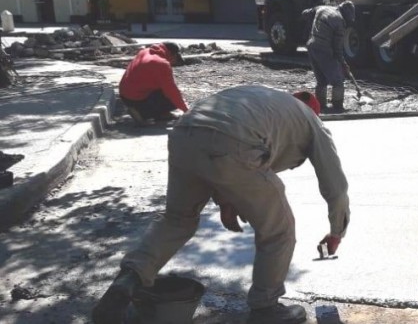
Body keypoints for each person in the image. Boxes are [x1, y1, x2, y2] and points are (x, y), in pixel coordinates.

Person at [92, 86, 349, 324]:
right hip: (233, 144)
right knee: (278, 230)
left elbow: (217, 146)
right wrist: (337, 230)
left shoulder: (266, 98)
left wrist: (226, 199)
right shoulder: (312, 122)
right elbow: (335, 184)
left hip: (184, 133)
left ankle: (127, 280)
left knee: (177, 220)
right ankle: (265, 308)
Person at [118, 41, 188, 124]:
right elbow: (172, 91)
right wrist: (187, 111)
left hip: (124, 94)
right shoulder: (161, 64)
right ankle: (141, 113)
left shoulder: (145, 51)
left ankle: (161, 114)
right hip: (136, 98)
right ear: (173, 54)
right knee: (172, 101)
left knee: (163, 91)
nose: (173, 63)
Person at [307, 1, 355, 112]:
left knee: (321, 80)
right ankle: (337, 106)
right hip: (324, 49)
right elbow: (337, 48)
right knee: (338, 81)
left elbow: (307, 13)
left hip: (311, 46)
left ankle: (320, 106)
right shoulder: (340, 22)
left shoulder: (323, 8)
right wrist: (343, 63)